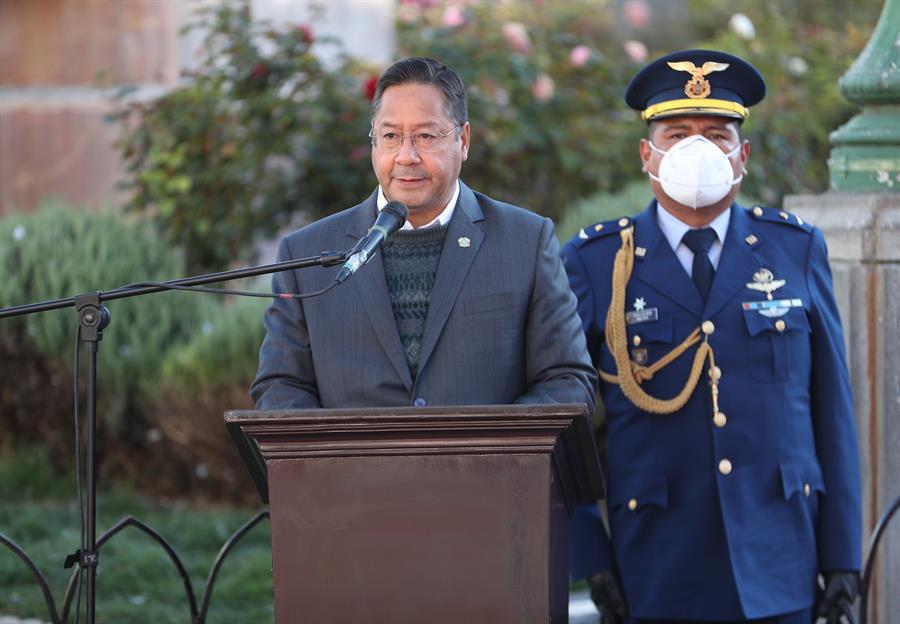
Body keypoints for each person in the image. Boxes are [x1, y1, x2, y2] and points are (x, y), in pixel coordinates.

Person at [563, 50, 861, 623]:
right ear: (646, 154)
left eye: (716, 134)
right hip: (655, 564)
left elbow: (832, 411)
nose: (698, 149)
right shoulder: (596, 263)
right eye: (676, 133)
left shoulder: (794, 249)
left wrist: (842, 554)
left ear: (742, 155)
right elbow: (564, 422)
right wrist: (589, 554)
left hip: (782, 561)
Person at [251, 57, 596, 418]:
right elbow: (281, 387)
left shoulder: (525, 242)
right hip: (355, 473)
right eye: (390, 136)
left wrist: (494, 446)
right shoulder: (307, 253)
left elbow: (567, 382)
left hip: (485, 471)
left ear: (463, 140)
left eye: (426, 136)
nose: (406, 156)